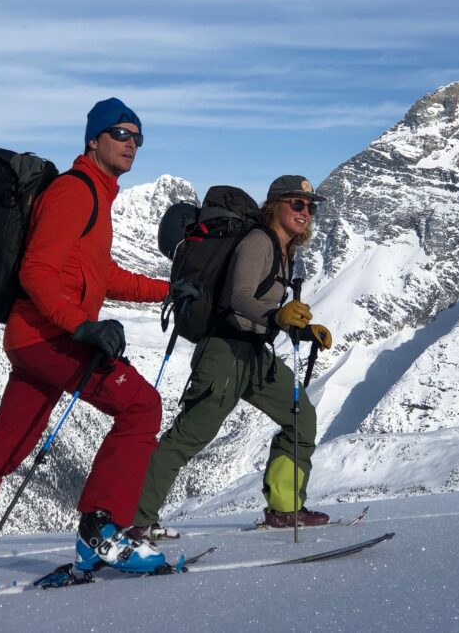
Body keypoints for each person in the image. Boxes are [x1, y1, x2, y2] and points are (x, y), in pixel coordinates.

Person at [0, 97, 170, 600]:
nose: (131, 144)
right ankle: (101, 531)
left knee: (2, 450)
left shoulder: (97, 197)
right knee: (141, 405)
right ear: (94, 140)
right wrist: (83, 327)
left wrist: (169, 290)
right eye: (121, 134)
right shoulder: (74, 192)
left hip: (35, 340)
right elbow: (36, 272)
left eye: (137, 137)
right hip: (48, 338)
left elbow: (102, 276)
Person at [131, 175, 333, 540]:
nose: (306, 212)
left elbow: (263, 306)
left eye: (310, 207)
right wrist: (277, 317)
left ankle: (285, 510)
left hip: (255, 351)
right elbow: (238, 297)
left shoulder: (285, 250)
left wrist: (301, 329)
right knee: (189, 436)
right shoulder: (258, 242)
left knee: (301, 417)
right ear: (274, 205)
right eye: (297, 204)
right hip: (224, 351)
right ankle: (137, 520)